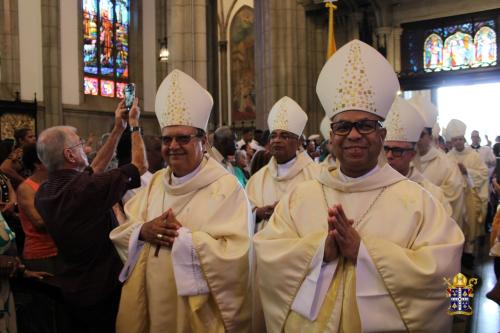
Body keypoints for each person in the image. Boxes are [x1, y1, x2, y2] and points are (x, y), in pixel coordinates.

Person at [254, 39, 464, 332]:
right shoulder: (301, 197)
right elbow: (266, 255)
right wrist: (318, 251)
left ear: (381, 134)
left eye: (365, 125)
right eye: (343, 126)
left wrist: (364, 251)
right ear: (331, 135)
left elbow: (446, 272)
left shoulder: (421, 202)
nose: (353, 135)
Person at [110, 69, 251, 333]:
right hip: (149, 306)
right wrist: (143, 231)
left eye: (183, 138)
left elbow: (238, 256)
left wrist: (183, 239)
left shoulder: (226, 188)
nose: (173, 146)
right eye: (166, 139)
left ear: (203, 141)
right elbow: (122, 230)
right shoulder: (153, 183)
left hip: (195, 315)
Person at [34, 98, 147, 332]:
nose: (85, 147)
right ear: (70, 155)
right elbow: (140, 166)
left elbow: (92, 171)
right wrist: (135, 124)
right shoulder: (87, 190)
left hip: (73, 286)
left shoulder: (44, 192)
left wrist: (118, 129)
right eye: (80, 144)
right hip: (103, 289)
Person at [246, 96, 320, 230]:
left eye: (284, 136)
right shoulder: (257, 180)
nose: (276, 140)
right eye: (273, 136)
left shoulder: (315, 175)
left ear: (298, 143)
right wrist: (258, 213)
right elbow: (242, 214)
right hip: (264, 249)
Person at [384, 97, 452, 215]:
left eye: (396, 150)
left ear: (412, 155)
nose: (389, 156)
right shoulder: (371, 186)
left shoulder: (432, 194)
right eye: (386, 149)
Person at [412, 95, 465, 225]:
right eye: (412, 133)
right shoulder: (404, 160)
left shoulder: (447, 165)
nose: (416, 139)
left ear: (430, 136)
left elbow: (453, 198)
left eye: (421, 134)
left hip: (435, 223)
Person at [446, 119, 488, 267]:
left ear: (463, 139)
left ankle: (469, 254)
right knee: (457, 225)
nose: (457, 142)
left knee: (470, 224)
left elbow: (483, 174)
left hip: (470, 195)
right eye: (455, 140)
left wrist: (467, 172)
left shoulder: (473, 155)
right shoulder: (448, 157)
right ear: (451, 141)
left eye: (459, 139)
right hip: (455, 197)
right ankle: (458, 255)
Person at [17, 143, 58, 272]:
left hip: (60, 251)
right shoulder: (26, 188)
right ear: (38, 164)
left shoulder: (55, 183)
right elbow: (39, 223)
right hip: (41, 254)